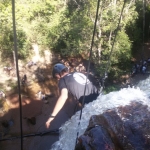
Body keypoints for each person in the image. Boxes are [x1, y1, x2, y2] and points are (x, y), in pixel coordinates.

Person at [45, 63, 99, 128]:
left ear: (57, 75)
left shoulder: (63, 80)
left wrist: (52, 117)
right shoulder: (77, 73)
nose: (57, 79)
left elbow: (63, 97)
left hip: (90, 105)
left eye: (56, 77)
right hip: (99, 97)